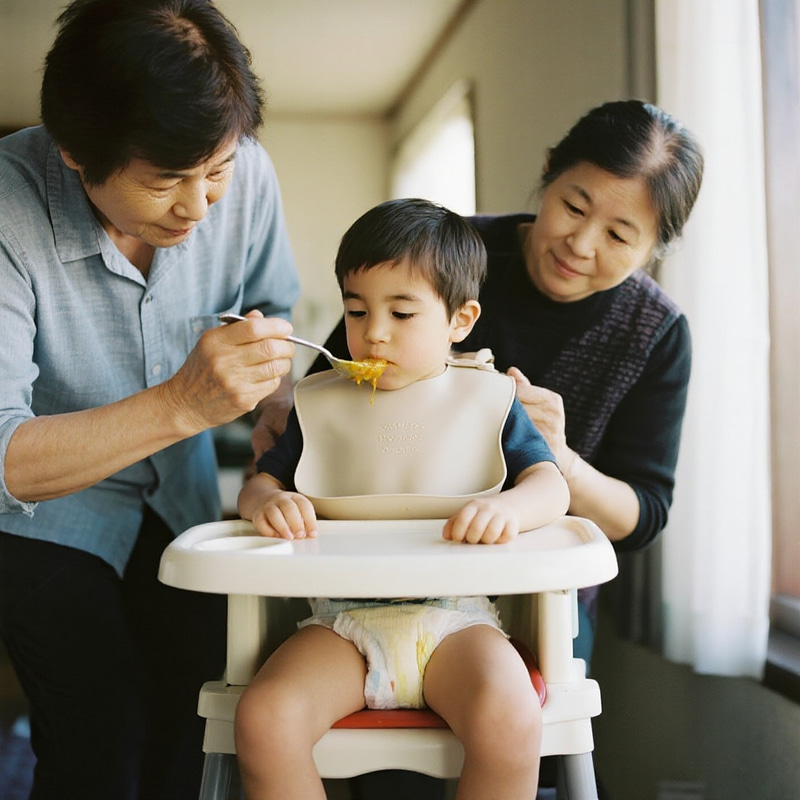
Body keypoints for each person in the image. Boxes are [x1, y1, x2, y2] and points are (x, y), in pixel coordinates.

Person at [0, 2, 300, 798]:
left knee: (200, 724)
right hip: (45, 515)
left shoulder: (249, 175)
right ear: (75, 152)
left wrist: (281, 404)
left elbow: (273, 307)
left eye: (217, 174)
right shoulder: (6, 209)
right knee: (95, 737)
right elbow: (3, 460)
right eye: (166, 180)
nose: (200, 208)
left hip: (185, 498)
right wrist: (182, 405)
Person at [311, 100, 704, 663]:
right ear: (548, 172)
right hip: (384, 567)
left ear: (654, 250)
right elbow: (331, 379)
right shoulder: (443, 257)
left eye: (619, 235)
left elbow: (643, 515)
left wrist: (560, 461)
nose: (581, 243)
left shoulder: (657, 334)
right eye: (573, 206)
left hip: (541, 587)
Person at [234, 198, 570, 800]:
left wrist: (509, 509)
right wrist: (264, 502)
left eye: (403, 312)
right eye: (357, 310)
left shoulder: (489, 399)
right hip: (342, 624)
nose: (374, 332)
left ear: (459, 321)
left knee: (512, 716)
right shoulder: (319, 405)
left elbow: (551, 486)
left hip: (458, 622)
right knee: (264, 718)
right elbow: (264, 481)